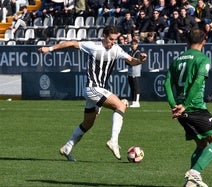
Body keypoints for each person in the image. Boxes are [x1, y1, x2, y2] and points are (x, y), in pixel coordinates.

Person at [38, 25, 147, 161]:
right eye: (111, 39)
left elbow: (132, 61)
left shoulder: (116, 49)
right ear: (104, 37)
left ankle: (67, 147)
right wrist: (49, 48)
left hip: (96, 90)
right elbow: (71, 43)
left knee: (88, 123)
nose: (113, 42)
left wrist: (141, 60)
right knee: (120, 106)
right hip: (92, 88)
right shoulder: (93, 46)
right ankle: (113, 141)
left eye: (115, 39)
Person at [164, 28, 212, 187]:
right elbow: (197, 83)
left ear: (187, 41)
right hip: (194, 107)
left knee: (201, 144)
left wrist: (174, 106)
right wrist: (186, 105)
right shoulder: (203, 59)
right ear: (204, 41)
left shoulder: (177, 60)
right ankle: (195, 172)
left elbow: (167, 83)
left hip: (181, 110)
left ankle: (191, 183)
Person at [127, 39, 142, 108]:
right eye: (132, 44)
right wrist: (130, 61)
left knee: (136, 87)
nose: (133, 45)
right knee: (132, 87)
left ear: (137, 45)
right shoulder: (130, 52)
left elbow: (135, 62)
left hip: (135, 72)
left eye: (135, 44)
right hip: (130, 72)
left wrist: (131, 61)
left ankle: (137, 101)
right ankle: (133, 101)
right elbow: (127, 61)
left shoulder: (138, 52)